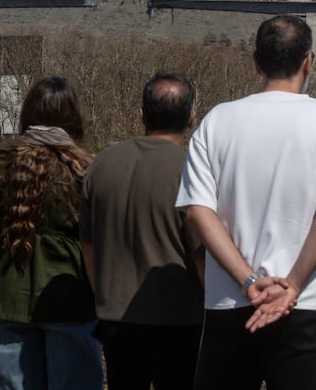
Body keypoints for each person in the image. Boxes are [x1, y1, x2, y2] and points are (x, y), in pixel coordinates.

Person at [176, 15, 316, 390]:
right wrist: (292, 285)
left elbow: (198, 210)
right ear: (309, 61)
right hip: (308, 301)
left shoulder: (217, 121)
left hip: (231, 301)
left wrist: (249, 280)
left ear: (255, 61)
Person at [0, 75, 103, 390]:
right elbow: (100, 241)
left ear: (27, 113)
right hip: (70, 297)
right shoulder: (86, 172)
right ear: (73, 118)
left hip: (8, 296)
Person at [79, 71, 204, 390]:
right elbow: (202, 252)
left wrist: (104, 296)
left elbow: (88, 247)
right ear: (191, 117)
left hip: (116, 316)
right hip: (180, 317)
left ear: (142, 114)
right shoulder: (191, 171)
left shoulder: (101, 165)